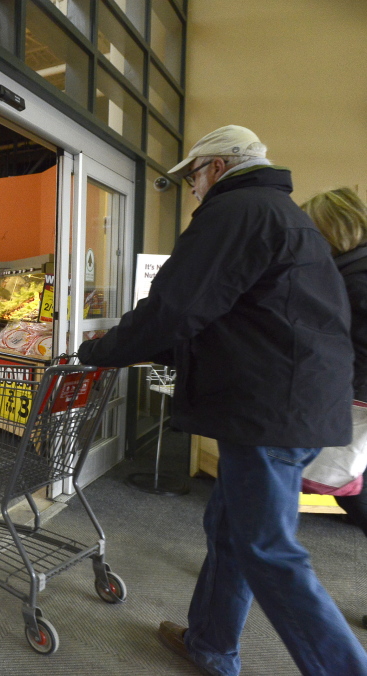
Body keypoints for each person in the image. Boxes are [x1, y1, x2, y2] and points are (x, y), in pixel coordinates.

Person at [77, 125, 367, 676]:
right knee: (230, 531)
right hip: (291, 405)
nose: (191, 189)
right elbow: (245, 323)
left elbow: (174, 309)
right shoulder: (283, 217)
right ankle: (210, 643)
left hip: (269, 413)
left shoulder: (235, 212)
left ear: (217, 167)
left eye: (193, 176)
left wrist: (105, 351)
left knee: (268, 551)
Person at [301, 187, 367, 592]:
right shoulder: (352, 272)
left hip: (354, 404)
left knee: (348, 488)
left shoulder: (353, 282)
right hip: (354, 401)